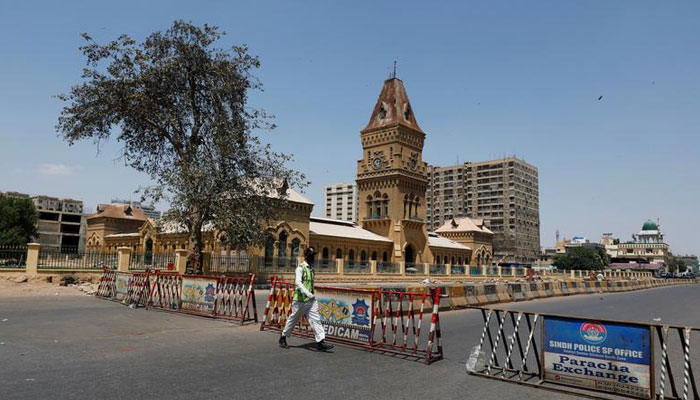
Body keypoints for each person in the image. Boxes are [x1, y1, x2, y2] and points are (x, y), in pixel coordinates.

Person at [279, 247, 334, 351]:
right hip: (300, 300)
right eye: (312, 256)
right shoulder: (300, 268)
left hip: (311, 301)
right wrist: (308, 293)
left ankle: (321, 342)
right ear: (307, 256)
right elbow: (298, 283)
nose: (314, 258)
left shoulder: (311, 269)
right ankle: (283, 337)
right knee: (293, 319)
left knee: (315, 320)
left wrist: (311, 295)